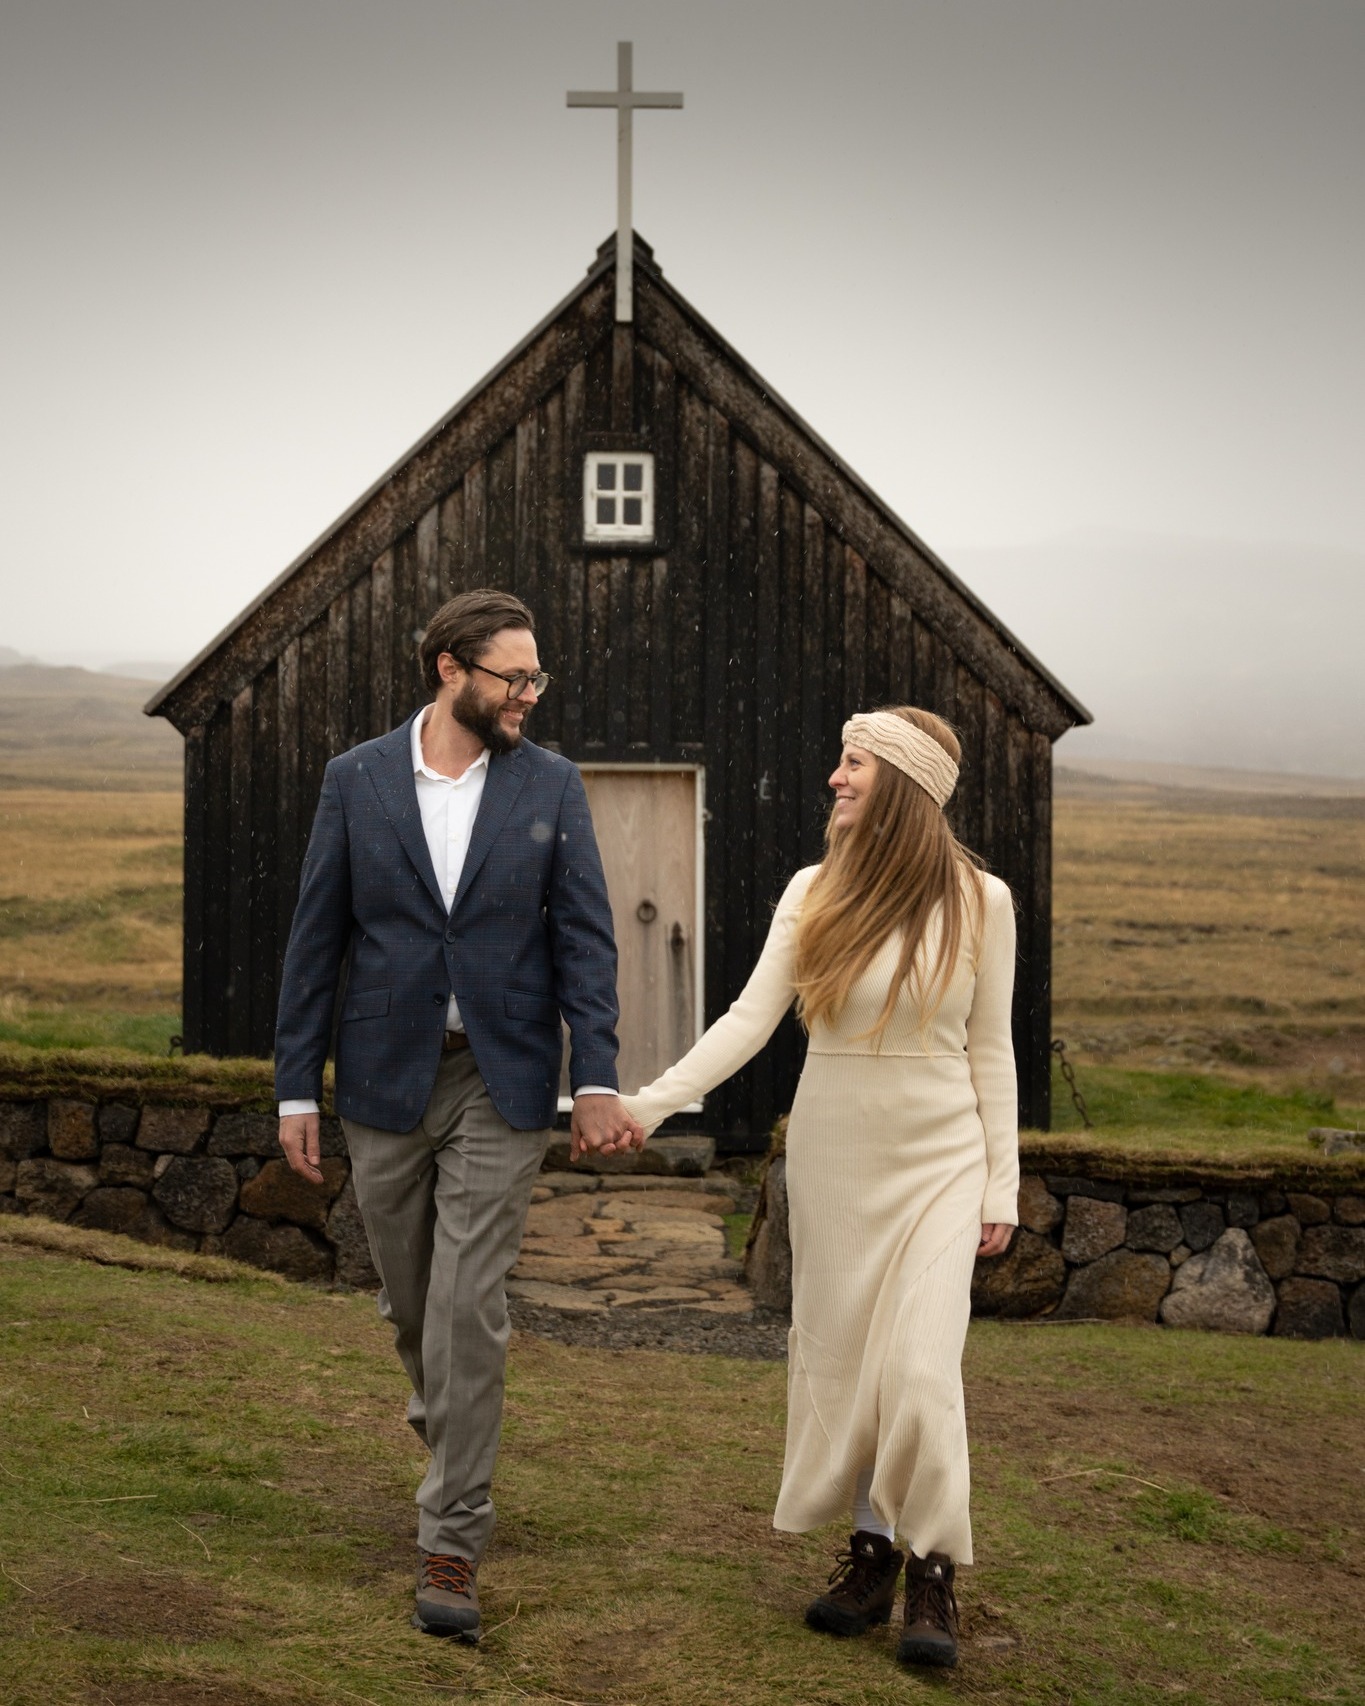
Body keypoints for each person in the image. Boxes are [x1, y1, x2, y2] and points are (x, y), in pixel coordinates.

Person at [274, 587, 643, 1643]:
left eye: (536, 677)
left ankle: (452, 1535)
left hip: (505, 1075)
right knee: (409, 1306)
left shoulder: (554, 786)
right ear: (449, 669)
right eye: (512, 676)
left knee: (467, 1303)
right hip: (384, 1077)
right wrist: (297, 1084)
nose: (529, 693)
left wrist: (599, 1075)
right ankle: (453, 1434)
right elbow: (316, 940)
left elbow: (586, 939)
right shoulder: (356, 780)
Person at [620, 706, 1017, 1671]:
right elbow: (748, 1022)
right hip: (836, 1155)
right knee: (850, 1367)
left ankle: (933, 1571)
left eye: (852, 764)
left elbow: (991, 1047)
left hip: (941, 1162)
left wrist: (1000, 1186)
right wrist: (649, 1104)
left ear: (903, 784)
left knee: (921, 1373)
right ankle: (872, 1553)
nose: (833, 779)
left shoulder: (981, 900)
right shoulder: (812, 891)